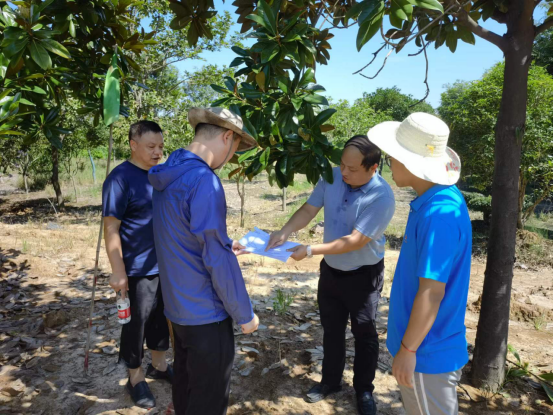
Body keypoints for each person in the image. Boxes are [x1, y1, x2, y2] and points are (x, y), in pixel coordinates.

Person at [266, 135, 395, 415]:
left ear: (373, 168)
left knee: (364, 333)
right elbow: (309, 209)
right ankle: (330, 381)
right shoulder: (333, 176)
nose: (343, 172)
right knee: (332, 329)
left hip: (363, 275)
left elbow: (355, 241)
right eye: (342, 164)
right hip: (332, 271)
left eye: (352, 168)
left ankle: (364, 389)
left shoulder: (381, 196)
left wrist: (309, 250)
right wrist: (285, 231)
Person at [148, 107, 260, 415]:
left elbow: (180, 232)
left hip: (178, 309)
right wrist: (244, 313)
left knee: (186, 385)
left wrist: (223, 241)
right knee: (208, 399)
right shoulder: (203, 181)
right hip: (207, 315)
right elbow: (216, 258)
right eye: (235, 149)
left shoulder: (168, 172)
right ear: (227, 137)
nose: (231, 157)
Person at [368, 112, 472, 415]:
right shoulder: (435, 201)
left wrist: (409, 349)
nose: (389, 162)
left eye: (392, 157)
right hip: (426, 344)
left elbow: (432, 291)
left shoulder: (438, 215)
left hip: (427, 352)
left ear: (410, 162)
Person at [102, 120, 171, 409]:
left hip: (165, 263)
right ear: (133, 145)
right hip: (137, 267)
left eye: (161, 146)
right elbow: (111, 228)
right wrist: (118, 270)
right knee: (136, 323)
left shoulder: (160, 175)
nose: (158, 152)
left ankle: (160, 365)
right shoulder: (119, 178)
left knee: (162, 319)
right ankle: (135, 376)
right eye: (151, 146)